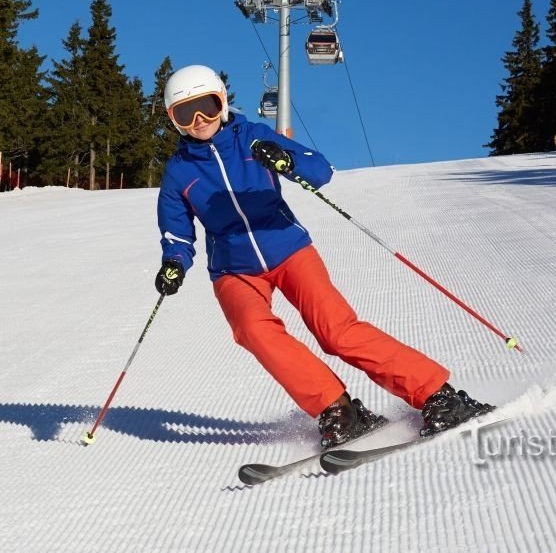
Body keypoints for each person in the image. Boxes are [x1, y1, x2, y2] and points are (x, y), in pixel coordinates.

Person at [154, 64, 492, 449]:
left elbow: (321, 169)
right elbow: (176, 229)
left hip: (288, 248)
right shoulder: (179, 173)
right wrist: (174, 262)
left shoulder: (252, 138)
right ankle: (338, 409)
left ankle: (437, 394)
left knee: (336, 330)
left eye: (207, 107)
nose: (199, 120)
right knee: (251, 329)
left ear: (223, 103)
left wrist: (284, 158)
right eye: (185, 113)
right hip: (234, 268)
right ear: (174, 119)